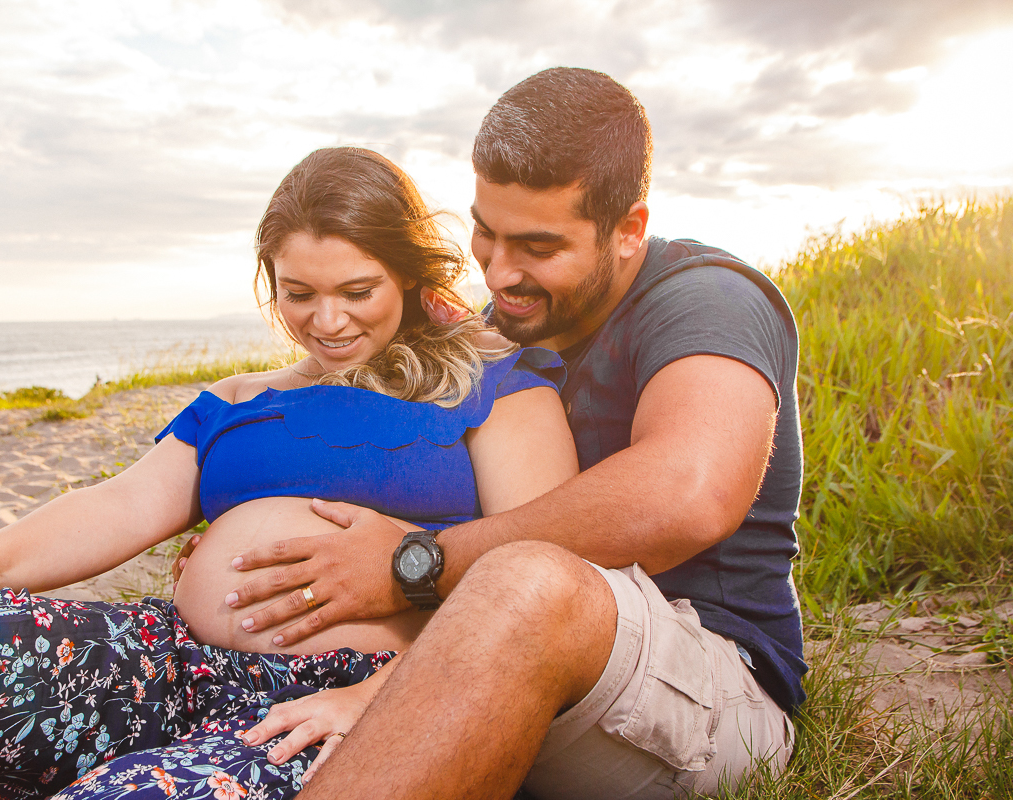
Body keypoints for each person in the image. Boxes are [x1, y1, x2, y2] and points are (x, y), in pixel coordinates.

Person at [0, 147, 578, 799]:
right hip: (173, 659)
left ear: (409, 277)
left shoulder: (496, 386)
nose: (329, 321)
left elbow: (542, 583)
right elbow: (123, 503)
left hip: (348, 690)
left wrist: (384, 699)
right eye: (298, 294)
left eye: (357, 291)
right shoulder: (237, 400)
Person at [214, 68, 806, 799]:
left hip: (708, 682)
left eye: (537, 246)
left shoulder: (707, 301)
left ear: (629, 231)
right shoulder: (500, 331)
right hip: (523, 656)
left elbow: (687, 494)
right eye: (486, 234)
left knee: (524, 583)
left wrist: (415, 561)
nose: (498, 273)